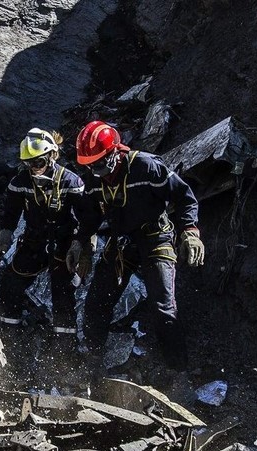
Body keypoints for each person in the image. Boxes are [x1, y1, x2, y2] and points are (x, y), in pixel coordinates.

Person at [68, 120, 205, 376]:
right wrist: (80, 241)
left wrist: (189, 231)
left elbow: (184, 197)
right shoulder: (95, 178)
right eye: (89, 166)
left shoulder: (146, 167)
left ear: (115, 152)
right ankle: (93, 365)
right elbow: (91, 215)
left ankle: (178, 373)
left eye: (99, 164)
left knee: (163, 309)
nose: (96, 172)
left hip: (155, 238)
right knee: (96, 303)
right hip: (121, 241)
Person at [0, 128, 90, 386]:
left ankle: (63, 357)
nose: (35, 169)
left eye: (39, 162)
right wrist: (4, 239)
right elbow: (10, 215)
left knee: (63, 295)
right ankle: (10, 347)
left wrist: (81, 248)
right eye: (29, 164)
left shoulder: (71, 182)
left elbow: (87, 219)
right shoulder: (20, 182)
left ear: (52, 156)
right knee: (10, 285)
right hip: (34, 242)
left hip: (63, 245)